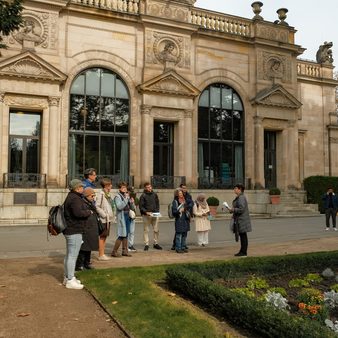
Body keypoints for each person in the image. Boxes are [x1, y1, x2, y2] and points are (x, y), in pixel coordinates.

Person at [63, 179, 92, 289]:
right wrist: (89, 212)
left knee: (69, 255)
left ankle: (68, 277)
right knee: (72, 256)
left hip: (71, 229)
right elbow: (78, 213)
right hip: (74, 229)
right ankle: (70, 279)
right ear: (77, 188)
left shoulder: (72, 196)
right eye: (81, 187)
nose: (83, 188)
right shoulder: (75, 198)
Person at [75, 187, 103, 271]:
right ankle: (79, 265)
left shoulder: (90, 203)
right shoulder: (83, 203)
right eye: (92, 196)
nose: (93, 197)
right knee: (83, 248)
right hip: (86, 228)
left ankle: (87, 263)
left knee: (89, 247)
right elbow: (81, 214)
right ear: (86, 196)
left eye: (94, 196)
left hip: (91, 227)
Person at [111, 181, 136, 257]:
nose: (125, 189)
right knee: (121, 234)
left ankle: (125, 251)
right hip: (122, 217)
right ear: (119, 189)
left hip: (128, 216)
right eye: (123, 187)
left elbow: (131, 207)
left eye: (125, 187)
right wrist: (126, 199)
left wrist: (131, 202)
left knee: (126, 233)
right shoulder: (117, 197)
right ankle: (114, 251)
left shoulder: (126, 196)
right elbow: (119, 207)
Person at [229, 184, 252, 257]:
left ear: (240, 189)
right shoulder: (239, 197)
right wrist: (232, 210)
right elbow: (238, 208)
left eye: (236, 188)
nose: (234, 190)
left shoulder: (241, 197)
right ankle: (242, 251)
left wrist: (233, 209)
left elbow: (241, 209)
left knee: (243, 236)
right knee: (242, 235)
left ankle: (243, 252)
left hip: (242, 219)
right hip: (240, 219)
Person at [95, 178, 115, 260]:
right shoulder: (101, 194)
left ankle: (102, 253)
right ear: (106, 185)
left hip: (108, 219)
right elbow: (96, 206)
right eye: (110, 184)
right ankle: (101, 254)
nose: (111, 186)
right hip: (104, 219)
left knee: (105, 236)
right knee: (102, 236)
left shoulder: (108, 194)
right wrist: (104, 214)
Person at [139, 182, 162, 251]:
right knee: (146, 230)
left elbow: (157, 203)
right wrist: (146, 212)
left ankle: (156, 243)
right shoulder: (143, 195)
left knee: (156, 230)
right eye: (148, 187)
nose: (149, 188)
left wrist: (157, 211)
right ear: (145, 188)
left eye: (150, 187)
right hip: (146, 215)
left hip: (155, 214)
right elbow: (141, 206)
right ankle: (146, 244)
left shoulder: (155, 194)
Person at [171, 184, 193, 250]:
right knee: (179, 234)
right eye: (179, 193)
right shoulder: (175, 201)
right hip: (179, 219)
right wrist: (179, 211)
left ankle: (183, 247)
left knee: (184, 234)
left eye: (181, 193)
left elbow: (192, 203)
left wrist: (185, 208)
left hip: (185, 219)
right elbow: (174, 212)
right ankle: (178, 248)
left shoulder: (185, 200)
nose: (181, 194)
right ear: (177, 194)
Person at [127, 186, 137, 252]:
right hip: (127, 216)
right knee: (127, 232)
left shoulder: (133, 198)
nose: (131, 192)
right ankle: (126, 246)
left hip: (132, 216)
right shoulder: (124, 197)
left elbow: (134, 208)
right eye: (130, 191)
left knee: (132, 232)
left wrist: (132, 202)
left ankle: (131, 245)